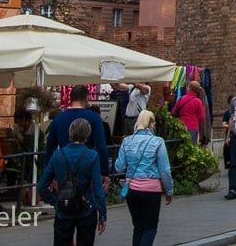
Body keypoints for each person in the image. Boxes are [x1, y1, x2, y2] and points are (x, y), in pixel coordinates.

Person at [39, 118, 107, 246]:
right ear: (87, 135)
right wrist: (102, 214)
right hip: (86, 207)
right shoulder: (92, 156)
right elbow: (98, 188)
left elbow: (42, 185)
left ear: (70, 133)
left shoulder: (57, 155)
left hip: (63, 207)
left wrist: (54, 201)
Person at [115, 110, 173, 246]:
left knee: (138, 227)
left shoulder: (127, 141)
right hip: (151, 189)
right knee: (150, 227)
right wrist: (169, 190)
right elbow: (164, 170)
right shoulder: (158, 142)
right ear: (151, 124)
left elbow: (119, 167)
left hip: (132, 189)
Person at [45, 85, 110, 187]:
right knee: (88, 199)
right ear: (87, 98)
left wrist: (49, 174)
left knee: (64, 198)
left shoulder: (58, 119)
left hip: (63, 166)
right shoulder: (95, 118)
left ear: (70, 99)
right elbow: (101, 147)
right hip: (87, 166)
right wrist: (105, 172)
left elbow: (50, 147)